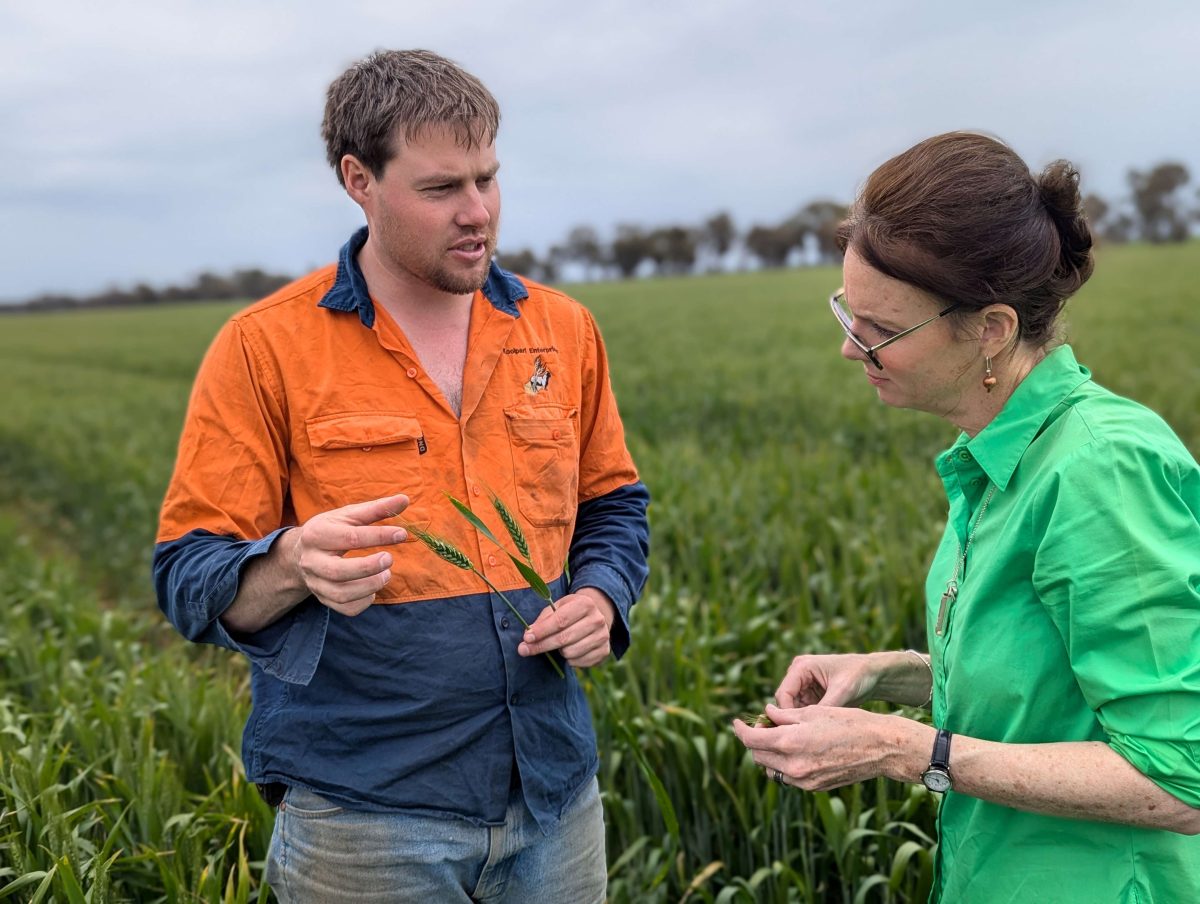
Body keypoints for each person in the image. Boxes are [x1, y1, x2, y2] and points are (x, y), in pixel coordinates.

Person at [154, 49, 649, 903]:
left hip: (555, 800)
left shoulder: (562, 330)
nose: (478, 213)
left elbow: (612, 502)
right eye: (441, 188)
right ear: (359, 179)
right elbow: (187, 575)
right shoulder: (265, 348)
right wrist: (291, 564)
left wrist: (605, 594)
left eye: (488, 180)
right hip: (365, 822)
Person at [733, 132, 1200, 901]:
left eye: (881, 330)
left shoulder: (1097, 469)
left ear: (992, 329)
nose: (852, 351)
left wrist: (902, 749)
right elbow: (1046, 690)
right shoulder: (994, 453)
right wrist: (890, 676)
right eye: (849, 315)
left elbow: (1179, 775)